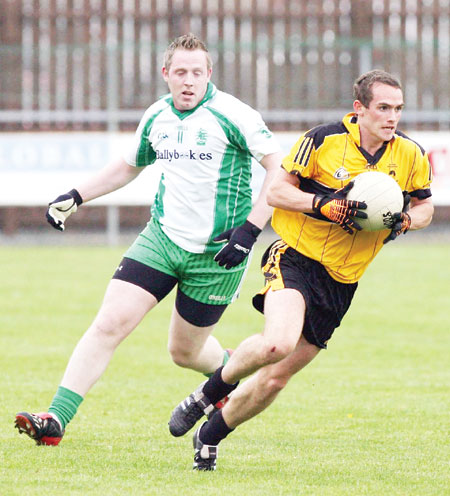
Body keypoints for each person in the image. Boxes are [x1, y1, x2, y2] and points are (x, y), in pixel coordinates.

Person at [14, 33, 283, 446]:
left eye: (197, 72)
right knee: (109, 324)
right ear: (166, 75)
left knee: (185, 353)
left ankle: (226, 371)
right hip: (161, 239)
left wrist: (250, 231)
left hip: (218, 253)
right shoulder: (157, 116)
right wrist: (77, 195)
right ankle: (56, 419)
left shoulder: (234, 114)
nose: (189, 80)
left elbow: (280, 169)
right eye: (180, 72)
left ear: (209, 73)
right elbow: (127, 167)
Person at [168, 69, 434, 471]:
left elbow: (426, 207)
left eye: (397, 108)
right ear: (359, 109)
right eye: (383, 108)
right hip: (295, 256)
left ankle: (210, 434)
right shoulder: (322, 140)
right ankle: (209, 391)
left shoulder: (409, 155)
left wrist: (407, 221)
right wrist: (322, 205)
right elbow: (276, 191)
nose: (391, 117)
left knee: (275, 379)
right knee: (278, 342)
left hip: (343, 281)